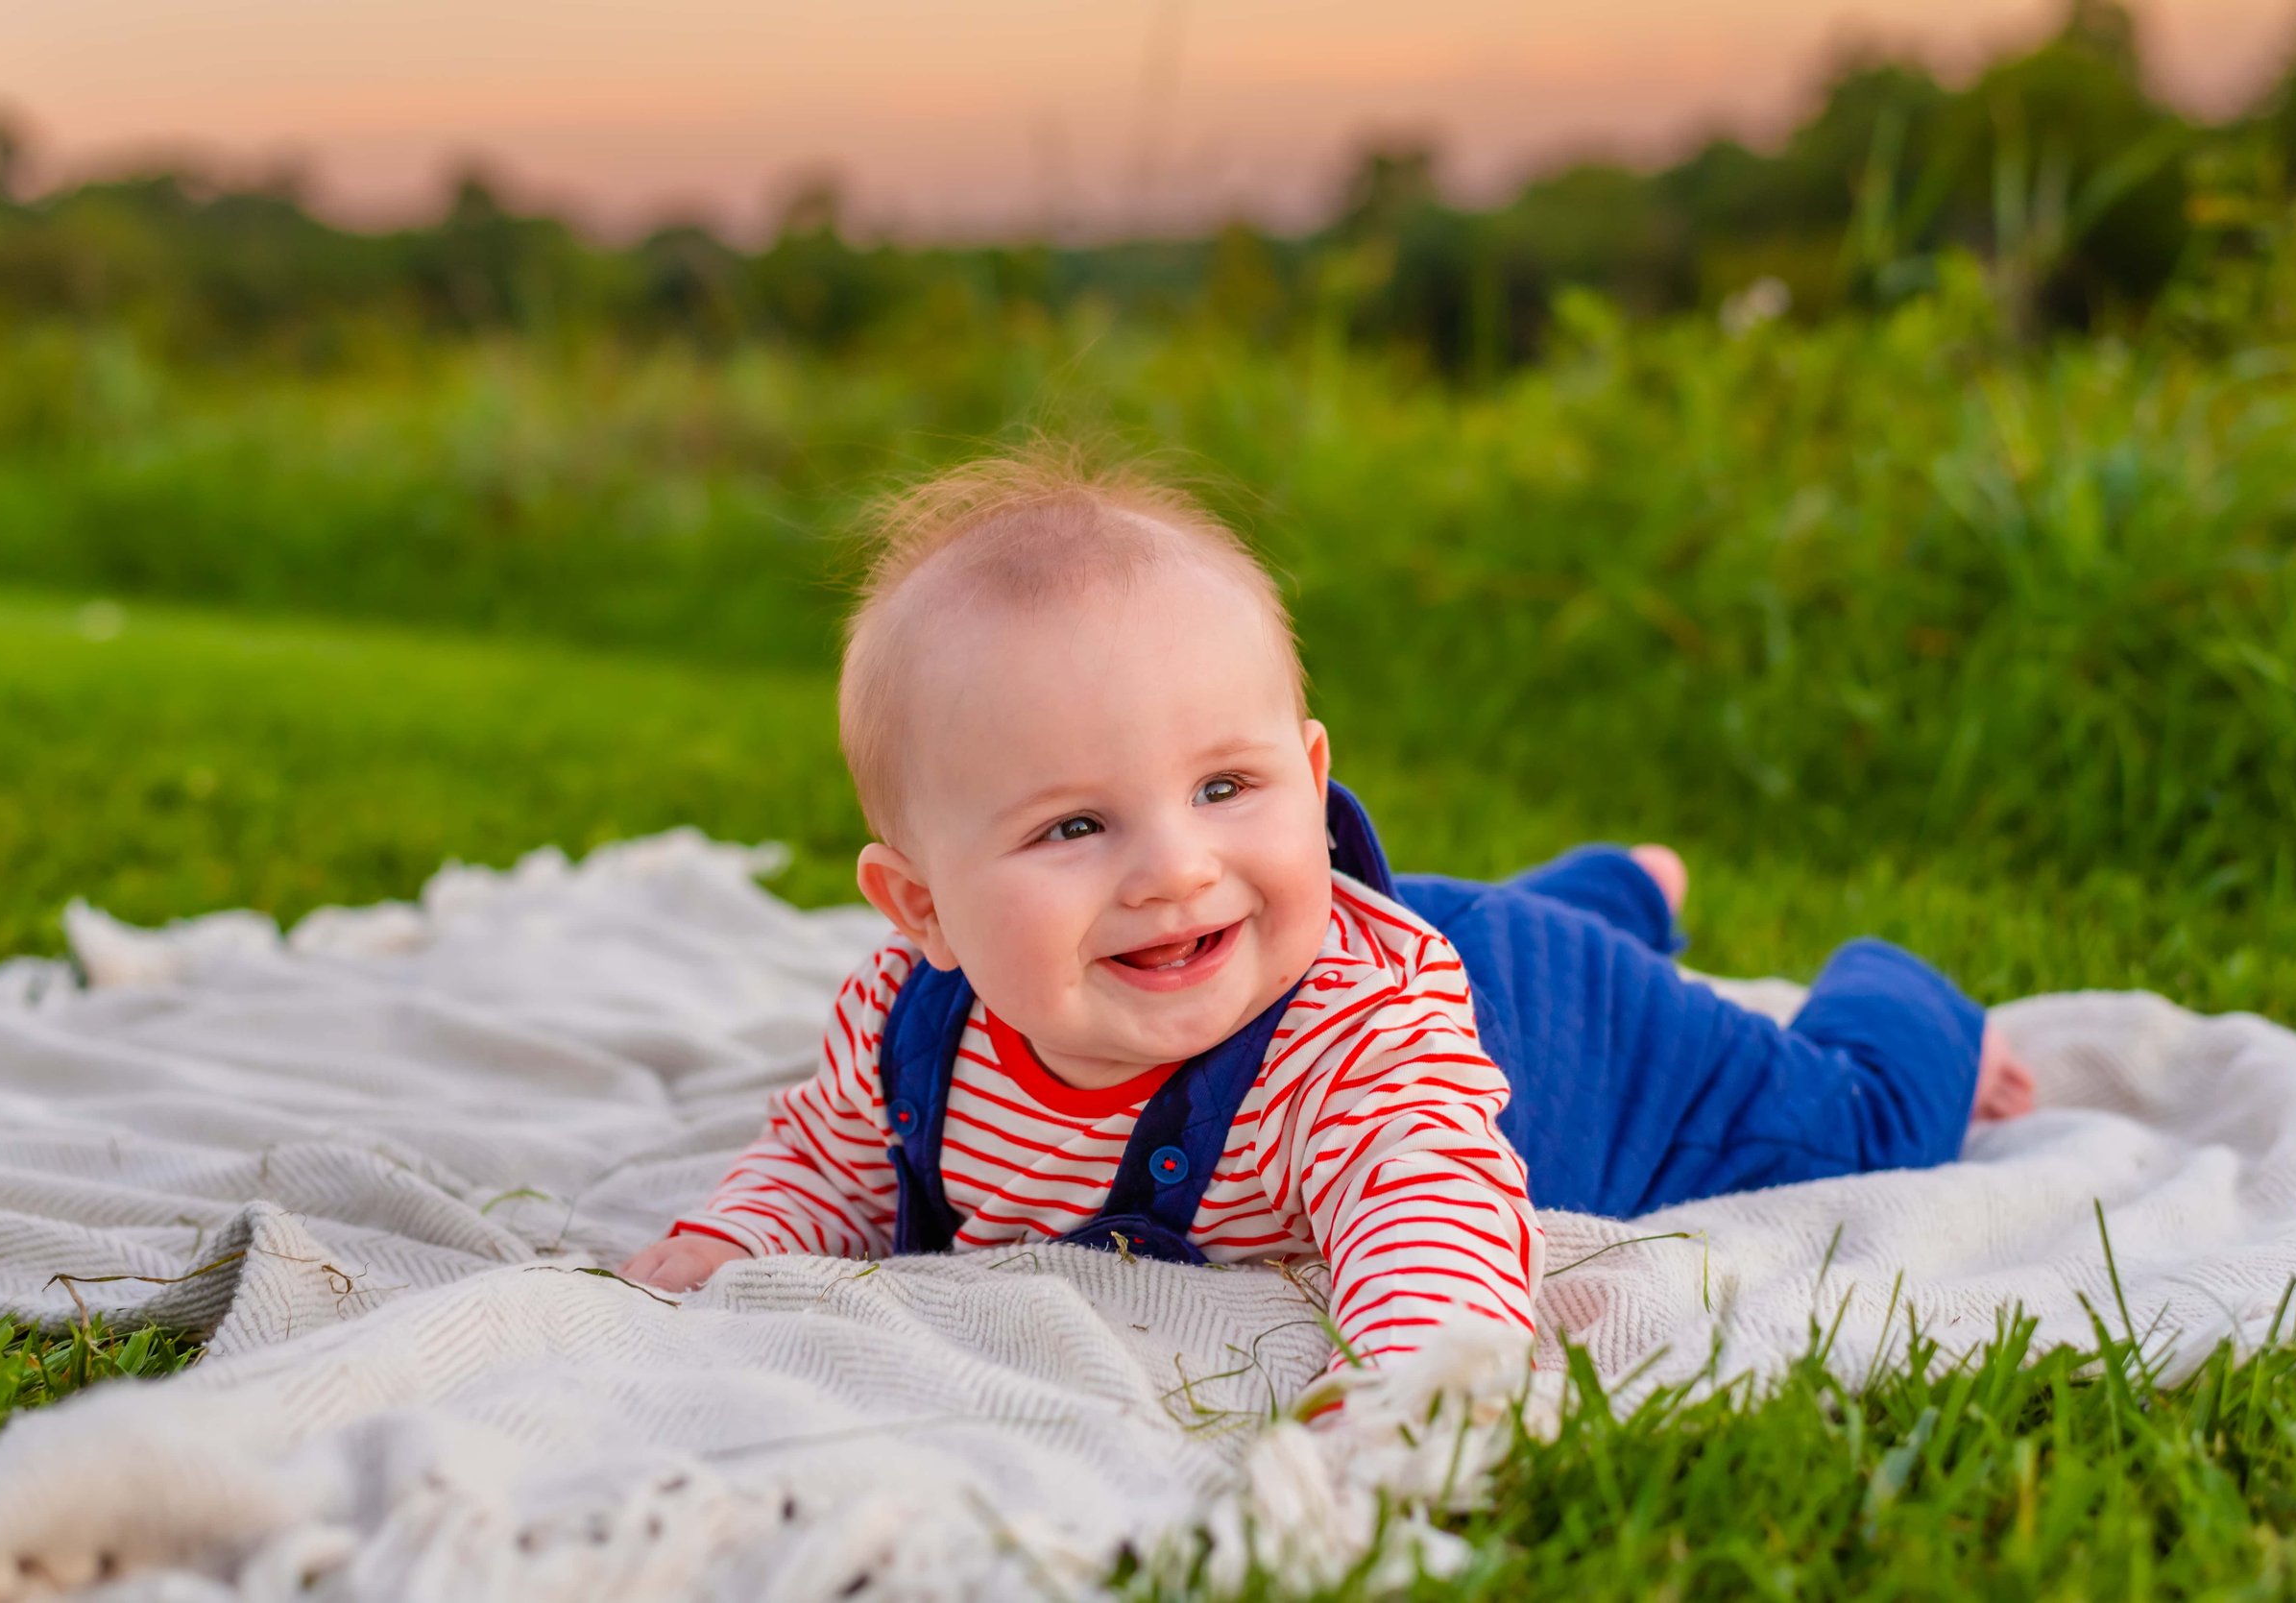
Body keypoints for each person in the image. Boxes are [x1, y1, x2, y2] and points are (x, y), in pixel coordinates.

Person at [621, 450, 2034, 1373]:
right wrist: (733, 1238)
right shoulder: (910, 1026)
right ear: (922, 907)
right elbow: (832, 1153)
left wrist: (1427, 1378)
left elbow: (1426, 1193)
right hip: (1428, 927)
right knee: (1463, 921)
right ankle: (1618, 881)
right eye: (1073, 825)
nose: (1174, 869)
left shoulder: (1364, 1044)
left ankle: (1902, 995)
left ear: (1311, 778)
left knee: (1841, 1121)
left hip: (1569, 1036)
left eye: (1226, 786)